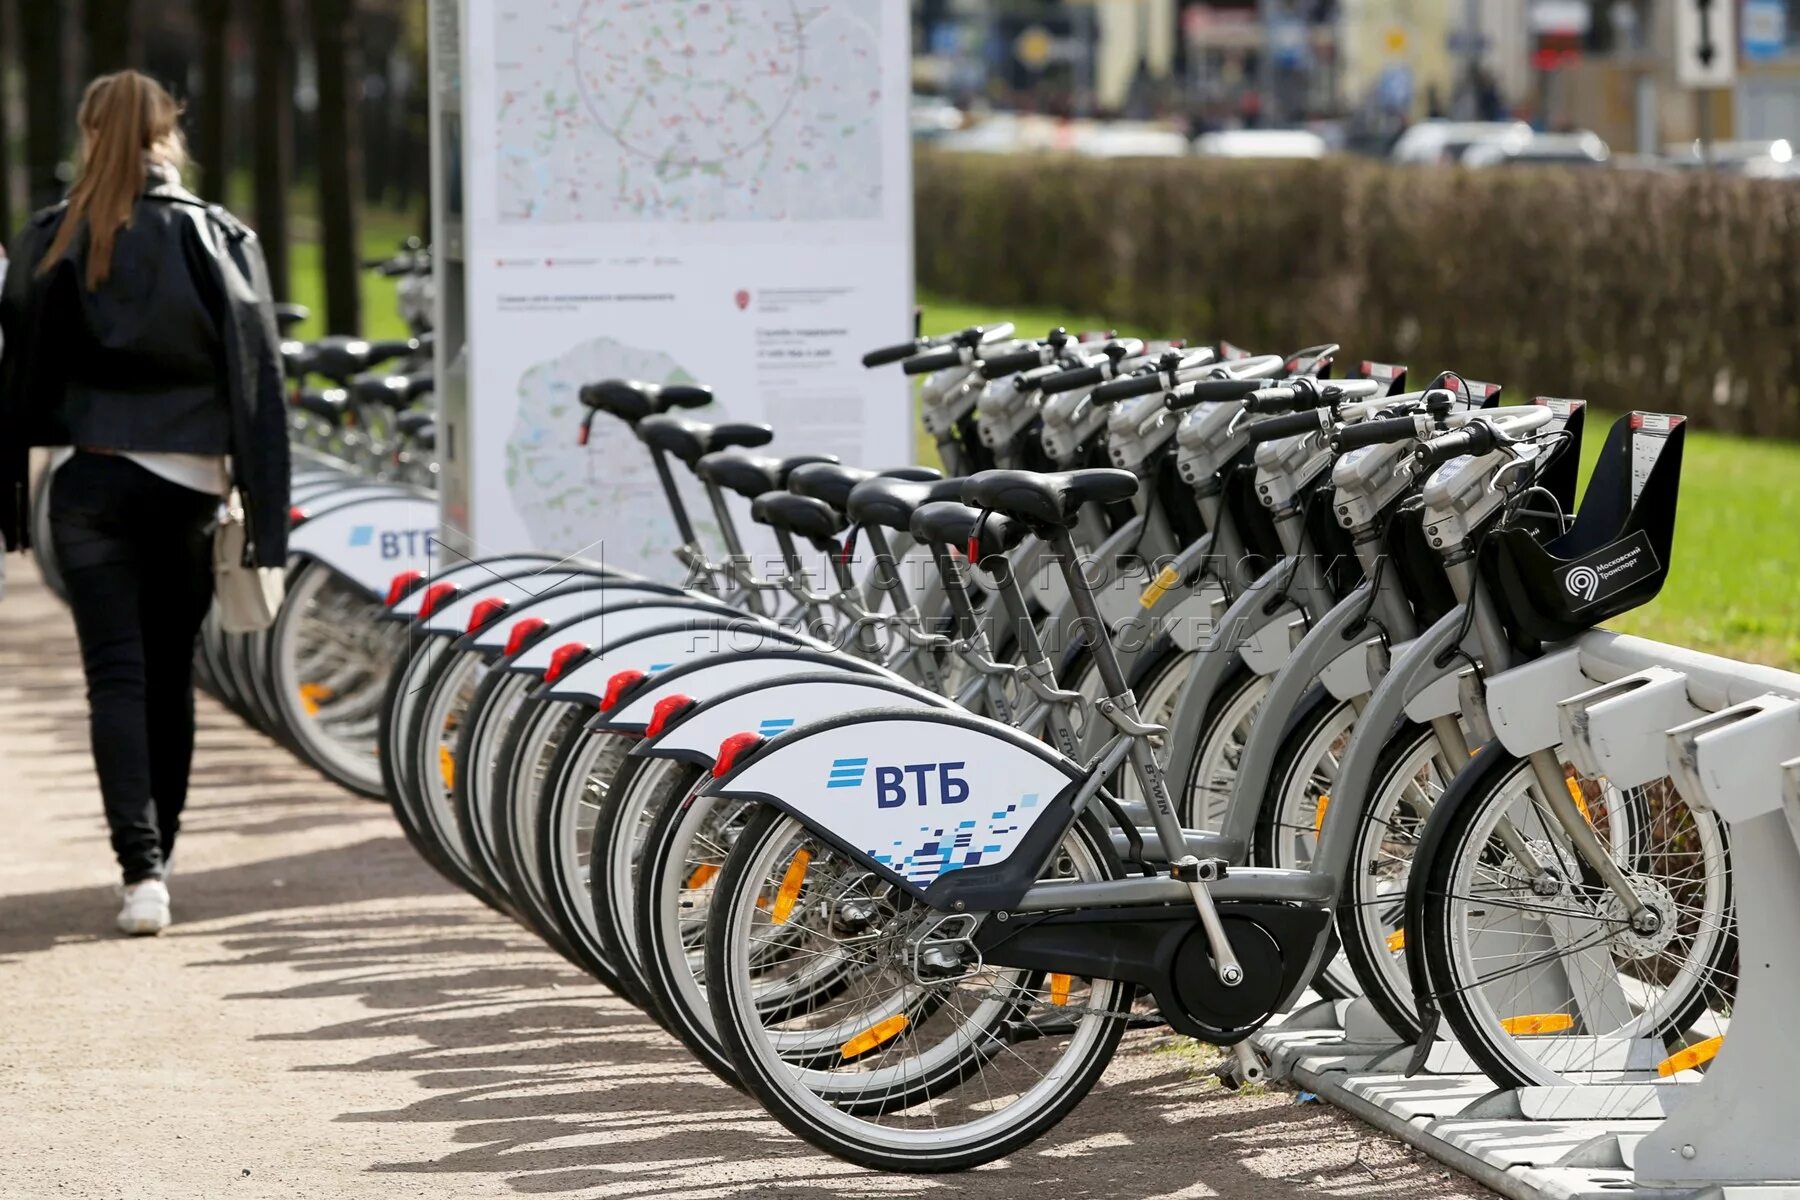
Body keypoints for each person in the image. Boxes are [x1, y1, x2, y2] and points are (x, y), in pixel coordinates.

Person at [0, 71, 290, 936]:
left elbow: (19, 371)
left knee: (115, 680)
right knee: (170, 678)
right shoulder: (217, 236)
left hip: (88, 484)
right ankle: (156, 859)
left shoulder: (55, 236)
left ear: (91, 132)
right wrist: (268, 520)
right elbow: (260, 380)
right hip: (190, 489)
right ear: (170, 134)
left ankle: (141, 870)